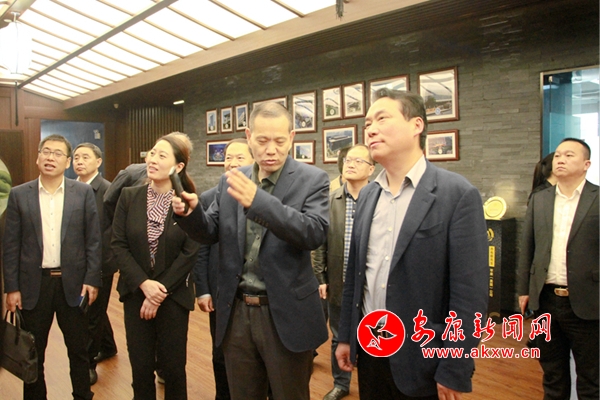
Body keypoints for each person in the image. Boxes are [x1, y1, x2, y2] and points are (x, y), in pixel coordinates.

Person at [336, 89, 489, 399]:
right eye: (368, 123)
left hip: (424, 356)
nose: (371, 129)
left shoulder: (456, 194)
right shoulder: (368, 195)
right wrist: (347, 336)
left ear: (416, 125)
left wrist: (455, 365)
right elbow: (356, 276)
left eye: (382, 119)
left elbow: (469, 293)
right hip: (372, 346)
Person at [173, 101, 329, 400]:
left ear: (292, 137)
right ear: (248, 136)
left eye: (279, 141)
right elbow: (210, 231)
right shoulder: (232, 180)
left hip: (285, 313)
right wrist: (192, 214)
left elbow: (313, 232)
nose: (271, 149)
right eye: (262, 140)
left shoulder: (313, 179)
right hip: (238, 311)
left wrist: (258, 202)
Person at [3, 134, 101, 400]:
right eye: (46, 152)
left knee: (79, 351)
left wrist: (92, 279)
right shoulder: (19, 195)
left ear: (67, 162)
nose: (50, 157)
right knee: (33, 353)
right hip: (34, 285)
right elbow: (10, 246)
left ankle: (82, 396)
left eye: (58, 153)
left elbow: (93, 240)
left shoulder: (82, 193)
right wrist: (11, 287)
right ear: (38, 158)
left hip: (74, 284)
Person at [111, 133, 201, 399]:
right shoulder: (129, 196)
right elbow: (118, 244)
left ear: (178, 166)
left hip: (173, 296)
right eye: (152, 153)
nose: (153, 159)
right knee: (140, 367)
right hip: (135, 293)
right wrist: (144, 284)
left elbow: (190, 252)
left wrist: (159, 291)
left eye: (162, 156)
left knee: (173, 368)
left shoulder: (188, 201)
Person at [517, 138, 598, 400]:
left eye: (569, 155)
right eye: (558, 155)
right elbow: (527, 247)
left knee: (591, 379)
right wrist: (524, 290)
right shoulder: (540, 199)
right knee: (553, 376)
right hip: (547, 301)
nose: (560, 159)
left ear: (586, 164)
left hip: (589, 302)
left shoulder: (597, 198)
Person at [194, 138, 254, 400]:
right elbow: (202, 247)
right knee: (221, 354)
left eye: (239, 157)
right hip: (221, 292)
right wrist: (203, 289)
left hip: (254, 294)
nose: (232, 163)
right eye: (228, 157)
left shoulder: (266, 198)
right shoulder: (210, 197)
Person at [313, 144, 375, 400]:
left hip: (371, 283)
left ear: (371, 169)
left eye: (359, 161)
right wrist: (321, 277)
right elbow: (319, 243)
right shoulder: (331, 200)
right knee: (339, 335)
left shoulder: (379, 199)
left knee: (372, 335)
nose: (350, 164)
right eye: (348, 160)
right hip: (339, 279)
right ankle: (341, 383)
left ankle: (372, 385)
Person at [73, 143, 117, 385]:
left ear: (98, 162)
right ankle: (108, 346)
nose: (79, 161)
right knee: (95, 309)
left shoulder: (107, 190)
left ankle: (88, 364)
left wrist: (100, 264)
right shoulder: (71, 188)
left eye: (85, 157)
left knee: (90, 314)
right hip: (77, 261)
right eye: (76, 157)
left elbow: (110, 231)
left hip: (100, 262)